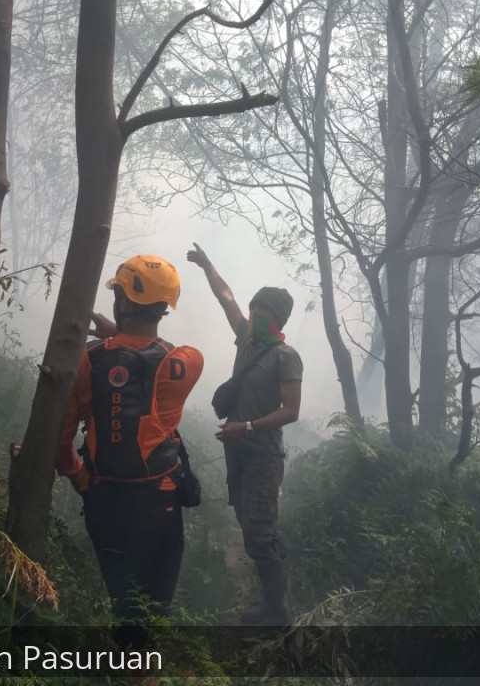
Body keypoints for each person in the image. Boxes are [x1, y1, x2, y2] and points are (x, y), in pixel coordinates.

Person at [56, 254, 203, 642]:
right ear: (163, 307)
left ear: (120, 302)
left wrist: (75, 473)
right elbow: (148, 360)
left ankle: (135, 669)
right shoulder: (182, 362)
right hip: (162, 499)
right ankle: (143, 672)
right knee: (155, 605)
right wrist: (119, 338)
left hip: (106, 497)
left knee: (125, 600)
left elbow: (61, 436)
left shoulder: (87, 360)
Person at [186, 242, 303, 626]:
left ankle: (277, 612)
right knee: (247, 521)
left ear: (279, 321)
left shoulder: (286, 357)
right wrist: (207, 264)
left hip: (262, 455)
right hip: (238, 452)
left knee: (259, 530)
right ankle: (276, 600)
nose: (254, 316)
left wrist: (247, 427)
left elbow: (291, 410)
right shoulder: (246, 339)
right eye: (254, 310)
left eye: (263, 313)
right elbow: (226, 297)